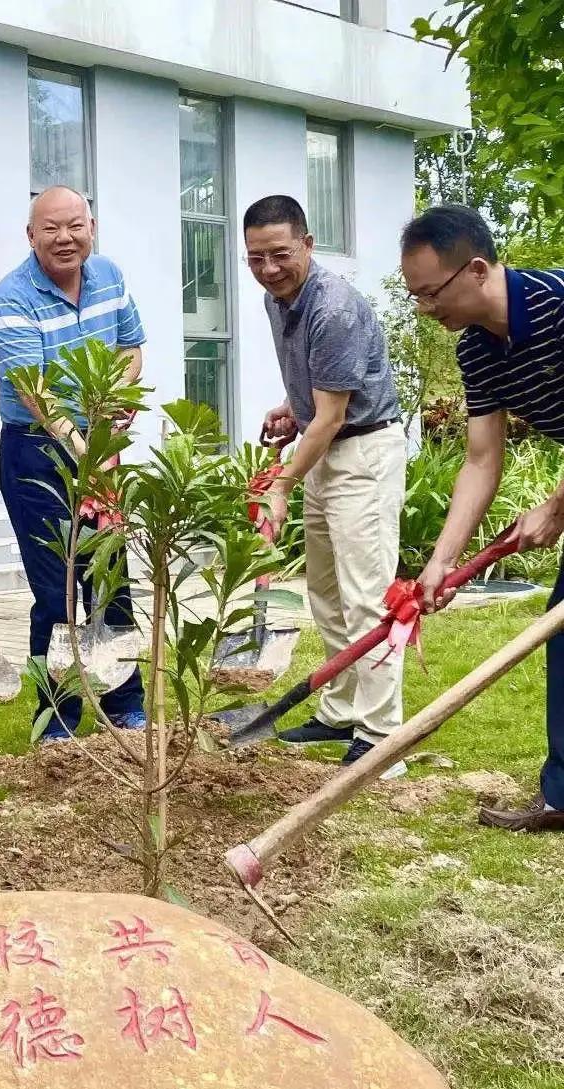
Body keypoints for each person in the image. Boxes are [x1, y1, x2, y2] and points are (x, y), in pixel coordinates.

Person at [401, 204, 564, 832]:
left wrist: (556, 506)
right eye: (415, 295)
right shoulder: (477, 350)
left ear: (475, 269)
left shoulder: (557, 304)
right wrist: (440, 561)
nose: (424, 308)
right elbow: (480, 459)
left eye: (430, 292)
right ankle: (562, 797)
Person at [244, 195, 407, 770]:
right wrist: (294, 406)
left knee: (367, 596)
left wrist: (281, 485)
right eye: (256, 257)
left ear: (308, 245)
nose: (269, 268)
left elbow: (335, 415)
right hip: (324, 448)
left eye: (280, 254)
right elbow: (321, 396)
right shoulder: (278, 299)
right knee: (328, 593)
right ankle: (341, 711)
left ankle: (382, 736)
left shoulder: (333, 308)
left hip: (362, 454)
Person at [0, 185, 147, 740]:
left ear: (91, 228)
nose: (65, 238)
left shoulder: (109, 276)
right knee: (57, 589)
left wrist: (114, 399)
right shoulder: (12, 296)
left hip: (97, 443)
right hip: (37, 451)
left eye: (75, 226)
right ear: (30, 236)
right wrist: (86, 451)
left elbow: (130, 347)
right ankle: (58, 716)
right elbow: (33, 391)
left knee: (111, 579)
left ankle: (125, 701)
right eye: (50, 229)